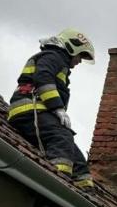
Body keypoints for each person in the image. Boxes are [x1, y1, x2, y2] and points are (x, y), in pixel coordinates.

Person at [7, 28, 96, 189]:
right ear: (71, 48)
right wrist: (58, 109)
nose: (80, 61)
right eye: (80, 55)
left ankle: (84, 193)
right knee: (61, 138)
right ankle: (55, 186)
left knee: (75, 156)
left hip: (41, 112)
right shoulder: (52, 57)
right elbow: (43, 79)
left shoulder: (58, 62)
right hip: (29, 109)